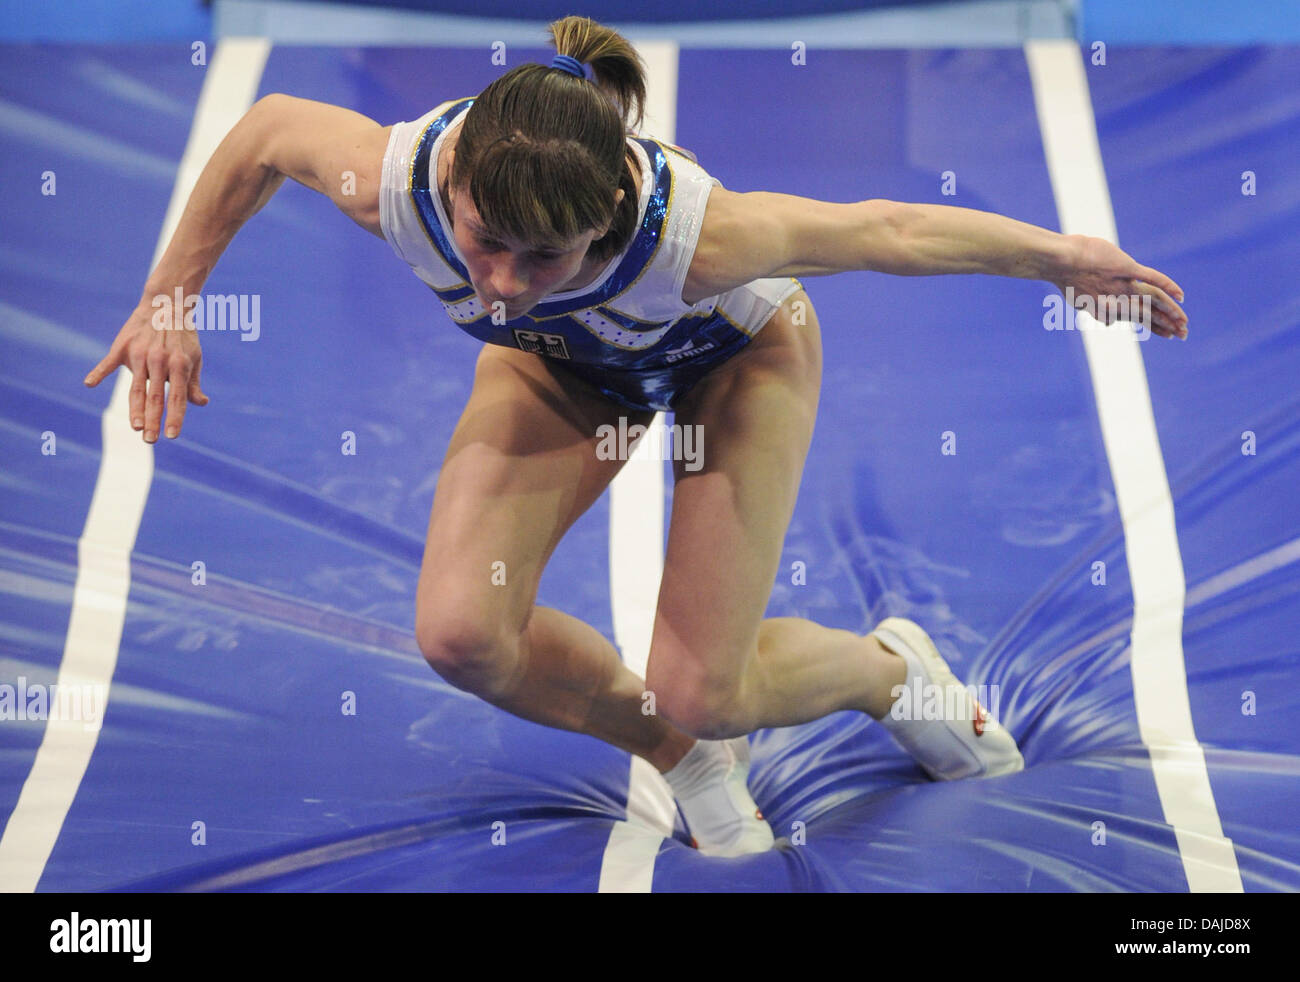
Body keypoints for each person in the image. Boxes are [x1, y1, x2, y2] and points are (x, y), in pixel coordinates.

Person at [85, 16, 1189, 857]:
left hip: (733, 361)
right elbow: (267, 129)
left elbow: (885, 229)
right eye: (484, 243)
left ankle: (890, 675)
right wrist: (171, 298)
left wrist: (1065, 258)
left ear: (606, 217)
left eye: (542, 258)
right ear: (453, 186)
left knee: (705, 677)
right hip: (567, 372)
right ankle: (673, 747)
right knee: (464, 635)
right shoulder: (394, 184)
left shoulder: (704, 243)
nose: (505, 283)